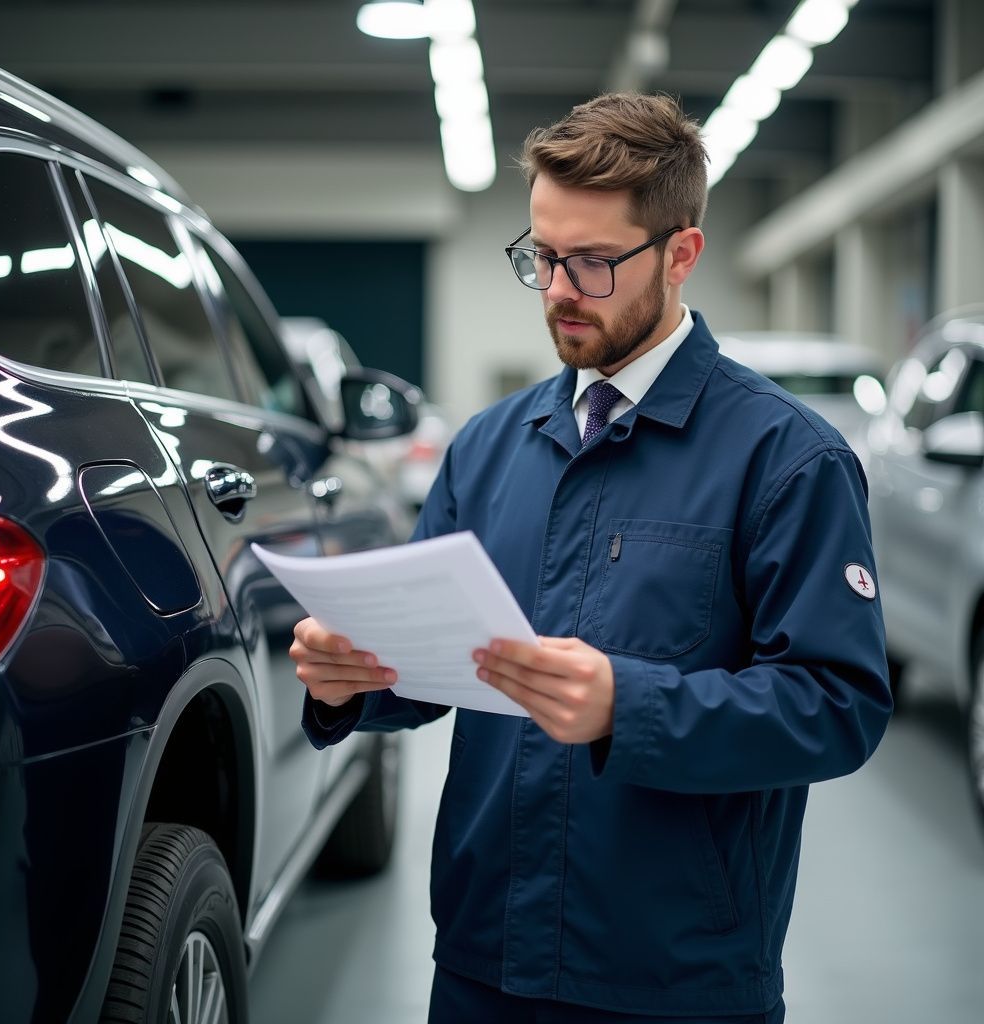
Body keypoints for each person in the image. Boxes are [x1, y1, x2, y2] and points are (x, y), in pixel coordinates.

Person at [290, 92, 892, 1023]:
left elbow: (838, 705)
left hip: (674, 974)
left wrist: (630, 705)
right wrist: (350, 678)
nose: (561, 288)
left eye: (594, 262)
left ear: (680, 254)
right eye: (541, 256)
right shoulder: (488, 448)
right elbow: (437, 660)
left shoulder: (785, 459)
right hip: (483, 956)